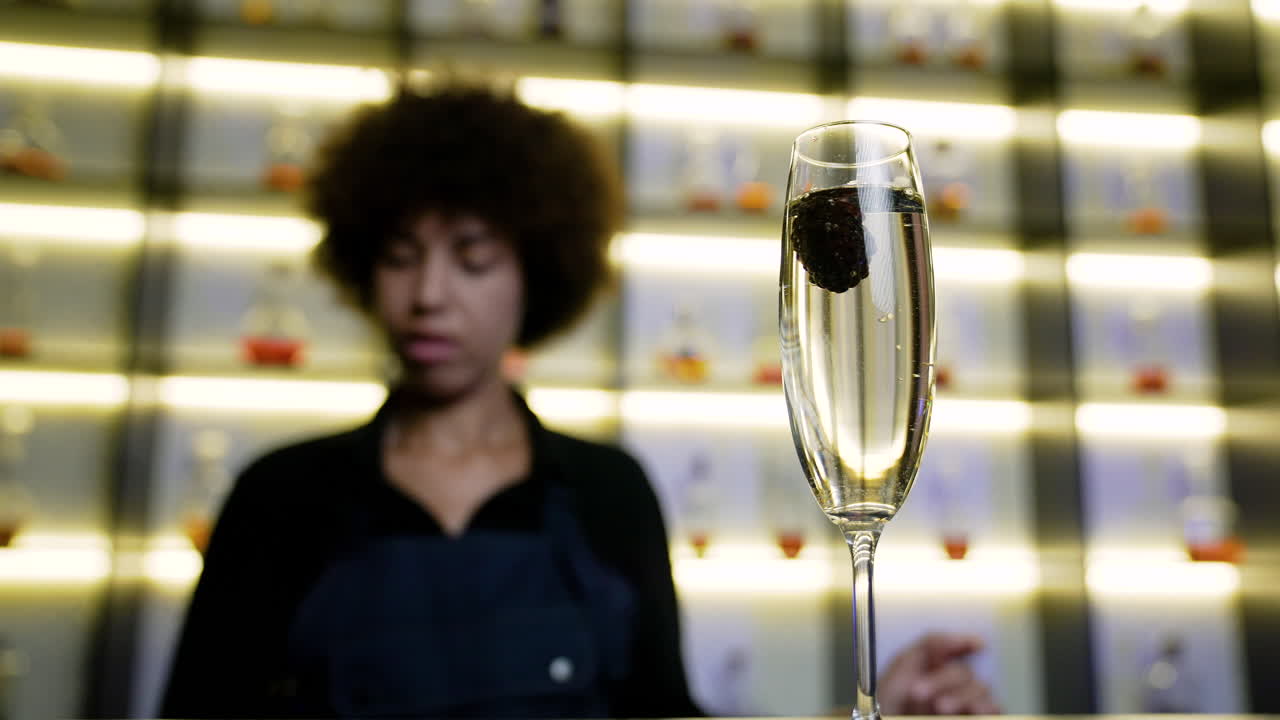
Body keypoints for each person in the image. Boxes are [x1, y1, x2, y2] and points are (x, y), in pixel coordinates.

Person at [161, 79, 999, 719]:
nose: (429, 294)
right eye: (401, 255)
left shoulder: (608, 495)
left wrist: (866, 701)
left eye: (473, 257)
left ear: (535, 272)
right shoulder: (279, 497)